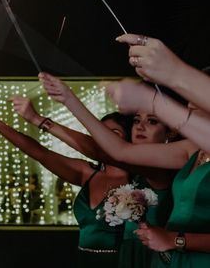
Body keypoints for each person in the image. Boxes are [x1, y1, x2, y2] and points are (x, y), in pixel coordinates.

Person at [44, 74, 210, 266]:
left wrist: (175, 239)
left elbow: (104, 153)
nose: (189, 107)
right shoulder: (192, 148)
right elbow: (119, 151)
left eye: (196, 101)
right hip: (174, 258)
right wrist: (69, 99)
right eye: (189, 102)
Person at [17, 76, 178, 267]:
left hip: (147, 259)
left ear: (171, 132)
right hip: (124, 257)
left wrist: (41, 118)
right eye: (136, 120)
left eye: (152, 121)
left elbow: (99, 151)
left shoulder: (159, 168)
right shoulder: (135, 174)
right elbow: (44, 154)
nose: (140, 126)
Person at [0, 106, 130, 267]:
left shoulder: (140, 180)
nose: (105, 139)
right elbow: (39, 153)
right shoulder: (88, 173)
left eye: (114, 133)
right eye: (100, 133)